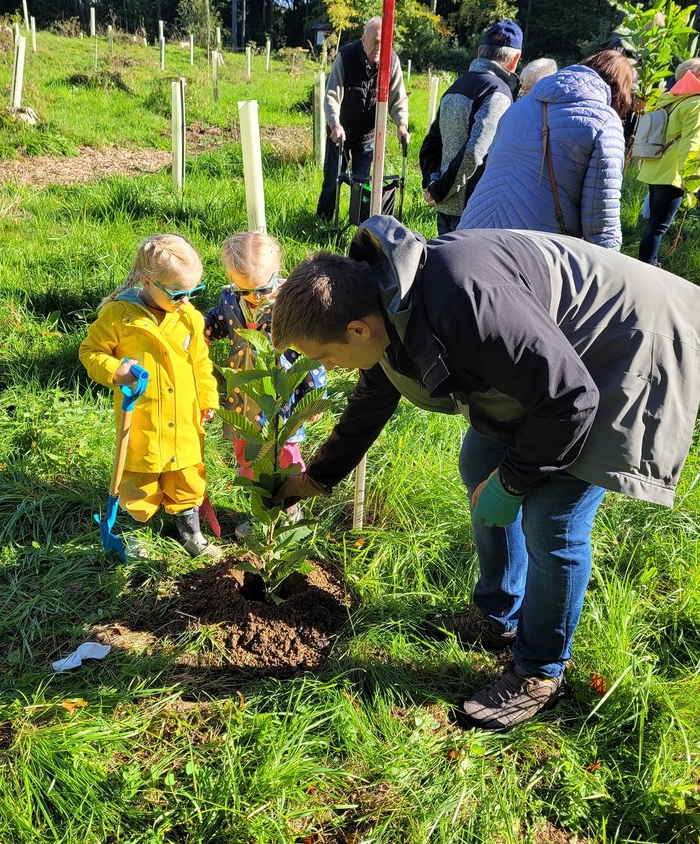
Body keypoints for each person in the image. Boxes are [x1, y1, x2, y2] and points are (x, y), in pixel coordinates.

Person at [269, 215, 700, 731]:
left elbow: (570, 400)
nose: (330, 367)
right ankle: (498, 615)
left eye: (324, 357)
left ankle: (540, 670)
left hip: (623, 343)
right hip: (549, 361)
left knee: (551, 519)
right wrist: (318, 477)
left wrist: (514, 482)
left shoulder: (467, 304)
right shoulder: (381, 300)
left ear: (356, 330)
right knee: (478, 462)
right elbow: (376, 392)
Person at [79, 234, 222, 559]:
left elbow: (201, 362)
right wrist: (116, 371)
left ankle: (190, 532)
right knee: (138, 480)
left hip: (184, 419)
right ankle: (135, 532)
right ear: (147, 281)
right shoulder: (120, 316)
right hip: (143, 421)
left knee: (187, 477)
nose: (185, 300)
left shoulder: (188, 318)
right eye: (178, 294)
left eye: (192, 292)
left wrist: (207, 399)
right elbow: (90, 352)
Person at [205, 232, 326, 538]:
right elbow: (220, 320)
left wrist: (312, 396)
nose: (255, 298)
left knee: (284, 454)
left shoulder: (292, 304)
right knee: (249, 455)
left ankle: (289, 511)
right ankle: (261, 513)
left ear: (278, 273)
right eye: (245, 290)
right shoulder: (231, 300)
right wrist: (204, 327)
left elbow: (311, 354)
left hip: (280, 396)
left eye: (263, 289)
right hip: (244, 397)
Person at [459, 50, 633, 247]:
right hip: (528, 251)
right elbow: (600, 222)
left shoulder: (519, 106)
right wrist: (607, 270)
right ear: (620, 91)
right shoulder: (605, 122)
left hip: (470, 232)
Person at [419, 19, 522, 237]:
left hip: (444, 201)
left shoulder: (457, 85)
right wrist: (439, 189)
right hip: (473, 208)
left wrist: (432, 182)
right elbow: (475, 152)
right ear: (515, 60)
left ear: (479, 51)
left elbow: (431, 143)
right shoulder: (498, 93)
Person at [316, 17, 409, 222]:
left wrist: (402, 124)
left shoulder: (391, 62)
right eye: (375, 41)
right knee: (332, 180)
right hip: (340, 132)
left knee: (362, 184)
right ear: (363, 39)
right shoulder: (346, 56)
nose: (379, 47)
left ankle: (359, 225)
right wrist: (335, 124)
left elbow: (398, 98)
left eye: (383, 43)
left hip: (367, 136)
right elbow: (332, 95)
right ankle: (323, 219)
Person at [637, 57, 700, 265]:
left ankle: (647, 263)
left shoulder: (669, 99)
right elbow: (690, 145)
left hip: (654, 168)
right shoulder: (695, 104)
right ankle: (648, 267)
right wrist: (691, 180)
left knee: (653, 225)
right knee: (658, 227)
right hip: (672, 174)